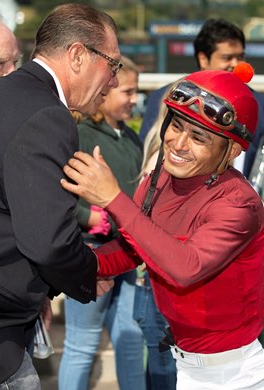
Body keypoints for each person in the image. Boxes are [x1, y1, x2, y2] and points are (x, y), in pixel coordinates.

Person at [61, 63, 264, 389]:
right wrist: (81, 266)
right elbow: (134, 249)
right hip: (185, 363)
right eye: (177, 125)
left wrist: (113, 198)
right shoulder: (160, 179)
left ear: (232, 152)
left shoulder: (240, 204)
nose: (178, 143)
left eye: (198, 136)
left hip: (236, 374)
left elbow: (184, 267)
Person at [0, 3, 120, 388]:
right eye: (113, 65)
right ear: (78, 55)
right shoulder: (48, 114)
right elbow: (47, 242)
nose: (112, 81)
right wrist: (87, 274)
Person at [58, 56, 146, 390]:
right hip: (92, 251)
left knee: (130, 339)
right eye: (127, 90)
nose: (134, 99)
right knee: (82, 342)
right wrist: (86, 215)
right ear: (106, 90)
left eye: (137, 91)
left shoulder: (131, 137)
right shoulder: (78, 134)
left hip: (129, 251)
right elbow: (59, 191)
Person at [139, 18, 264, 179]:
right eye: (227, 58)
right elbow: (147, 149)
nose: (237, 64)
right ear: (204, 59)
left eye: (240, 57)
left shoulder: (259, 105)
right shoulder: (167, 97)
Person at [133, 98, 177, 390]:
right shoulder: (162, 163)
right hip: (155, 282)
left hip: (155, 282)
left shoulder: (161, 154)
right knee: (164, 369)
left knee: (161, 365)